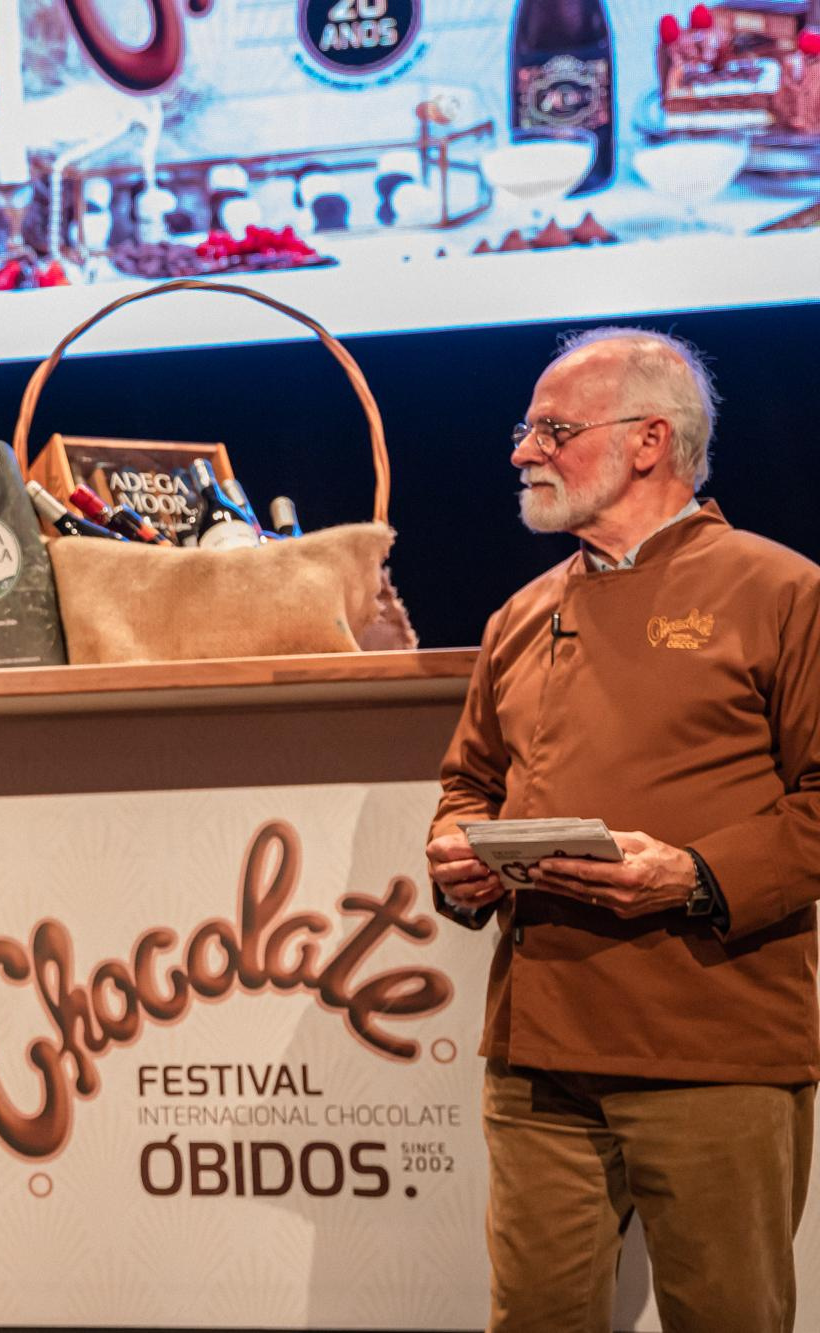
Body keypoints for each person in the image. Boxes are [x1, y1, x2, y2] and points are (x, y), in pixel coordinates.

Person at [424, 327, 819, 1332]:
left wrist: (691, 873)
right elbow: (466, 781)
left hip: (711, 1044)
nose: (522, 452)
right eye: (525, 429)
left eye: (552, 429)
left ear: (648, 442)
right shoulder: (521, 612)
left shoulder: (780, 591)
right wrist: (457, 853)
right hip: (537, 1057)